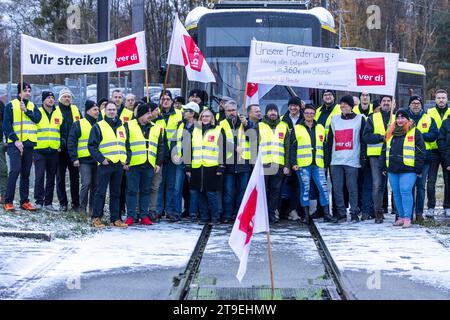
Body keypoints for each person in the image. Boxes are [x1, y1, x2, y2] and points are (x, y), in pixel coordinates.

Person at [381, 109, 426, 228]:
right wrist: (383, 166)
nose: (400, 120)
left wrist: (418, 168)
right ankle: (400, 216)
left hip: (408, 169)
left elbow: (421, 151)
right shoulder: (390, 132)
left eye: (403, 118)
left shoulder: (414, 132)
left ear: (408, 119)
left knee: (405, 191)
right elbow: (384, 150)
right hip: (392, 169)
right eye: (398, 118)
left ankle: (407, 217)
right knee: (396, 193)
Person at [290, 104, 335, 223]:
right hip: (303, 164)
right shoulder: (297, 128)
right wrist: (293, 162)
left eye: (312, 113)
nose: (309, 115)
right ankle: (306, 215)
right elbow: (292, 147)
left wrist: (325, 163)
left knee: (323, 188)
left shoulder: (320, 127)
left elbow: (325, 146)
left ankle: (326, 214)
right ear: (303, 115)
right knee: (305, 189)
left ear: (315, 114)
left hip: (318, 164)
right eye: (307, 113)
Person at [88, 101, 128, 229]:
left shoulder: (121, 126)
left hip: (118, 164)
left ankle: (115, 219)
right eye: (109, 109)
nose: (112, 112)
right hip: (105, 164)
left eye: (114, 109)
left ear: (117, 111)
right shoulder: (98, 126)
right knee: (100, 192)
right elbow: (92, 146)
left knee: (116, 193)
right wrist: (101, 159)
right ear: (104, 111)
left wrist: (126, 159)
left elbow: (126, 145)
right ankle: (96, 218)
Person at [124, 102, 164, 226]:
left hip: (149, 164)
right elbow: (124, 143)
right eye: (147, 113)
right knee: (132, 191)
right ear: (140, 114)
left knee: (146, 191)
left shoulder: (156, 127)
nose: (150, 115)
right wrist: (126, 160)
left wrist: (158, 163)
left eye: (150, 113)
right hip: (133, 164)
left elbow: (161, 147)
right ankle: (131, 216)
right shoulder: (128, 125)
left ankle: (143, 216)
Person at [3, 82, 41, 212]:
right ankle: (8, 201)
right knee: (15, 170)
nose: (28, 93)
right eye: (25, 90)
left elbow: (37, 119)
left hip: (29, 144)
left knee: (26, 173)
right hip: (15, 144)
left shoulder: (32, 106)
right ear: (19, 92)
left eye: (29, 90)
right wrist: (15, 140)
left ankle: (24, 201)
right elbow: (6, 126)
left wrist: (26, 111)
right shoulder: (11, 106)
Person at [327, 95, 366, 222]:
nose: (343, 106)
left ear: (351, 106)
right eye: (341, 104)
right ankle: (341, 213)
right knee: (337, 188)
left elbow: (363, 139)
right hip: (336, 160)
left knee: (352, 188)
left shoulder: (360, 119)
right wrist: (328, 159)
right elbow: (329, 141)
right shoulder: (334, 119)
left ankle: (354, 212)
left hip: (352, 160)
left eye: (346, 104)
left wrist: (362, 158)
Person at [185, 108, 226, 225]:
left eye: (207, 116)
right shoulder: (195, 130)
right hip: (197, 166)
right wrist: (188, 166)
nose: (205, 118)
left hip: (212, 167)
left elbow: (223, 149)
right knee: (200, 193)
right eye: (203, 116)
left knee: (211, 194)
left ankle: (215, 217)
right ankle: (204, 217)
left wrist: (221, 166)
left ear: (212, 118)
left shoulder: (218, 130)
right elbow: (189, 149)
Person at [363, 95, 395, 223]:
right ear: (380, 103)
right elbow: (366, 136)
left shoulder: (397, 117)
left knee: (394, 185)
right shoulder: (372, 118)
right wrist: (382, 137)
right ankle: (378, 212)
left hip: (393, 155)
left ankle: (399, 213)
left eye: (389, 101)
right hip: (376, 156)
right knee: (377, 184)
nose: (386, 103)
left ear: (392, 103)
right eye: (384, 101)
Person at [256, 103, 290, 223]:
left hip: (278, 165)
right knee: (263, 191)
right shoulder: (259, 126)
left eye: (274, 110)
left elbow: (287, 147)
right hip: (263, 165)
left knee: (275, 192)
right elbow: (254, 146)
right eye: (270, 110)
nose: (273, 113)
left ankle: (271, 214)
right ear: (266, 113)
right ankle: (261, 215)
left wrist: (287, 165)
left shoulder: (284, 126)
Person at [407, 95, 438, 222]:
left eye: (418, 103)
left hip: (424, 159)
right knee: (409, 187)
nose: (416, 105)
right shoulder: (404, 118)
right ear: (410, 105)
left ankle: (419, 213)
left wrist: (419, 135)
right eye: (413, 103)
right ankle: (408, 213)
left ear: (421, 105)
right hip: (408, 158)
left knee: (421, 187)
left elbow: (434, 135)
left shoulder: (428, 118)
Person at [220, 100, 251, 223]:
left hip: (243, 163)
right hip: (229, 163)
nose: (231, 112)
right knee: (228, 192)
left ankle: (240, 215)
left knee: (242, 192)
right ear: (225, 111)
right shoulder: (221, 124)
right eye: (229, 110)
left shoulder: (245, 122)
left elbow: (253, 139)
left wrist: (247, 126)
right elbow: (219, 141)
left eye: (233, 110)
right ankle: (227, 215)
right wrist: (233, 147)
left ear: (237, 111)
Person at [33, 91, 64, 211]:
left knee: (51, 177)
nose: (51, 100)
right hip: (40, 149)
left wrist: (61, 143)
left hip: (54, 150)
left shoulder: (58, 113)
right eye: (48, 98)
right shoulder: (38, 112)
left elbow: (63, 130)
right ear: (43, 100)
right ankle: (38, 201)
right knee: (39, 176)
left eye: (52, 98)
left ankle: (48, 203)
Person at [68, 100, 99, 215]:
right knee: (86, 183)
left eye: (97, 110)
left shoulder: (100, 124)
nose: (97, 112)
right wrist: (74, 158)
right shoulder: (78, 124)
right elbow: (72, 141)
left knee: (95, 186)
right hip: (84, 160)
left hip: (97, 160)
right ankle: (82, 208)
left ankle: (92, 208)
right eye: (94, 109)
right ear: (88, 111)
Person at [157, 90, 183, 221]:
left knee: (172, 184)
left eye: (167, 99)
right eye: (163, 99)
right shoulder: (156, 114)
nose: (165, 101)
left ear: (172, 101)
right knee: (159, 184)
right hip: (159, 154)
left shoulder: (179, 114)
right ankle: (157, 210)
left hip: (174, 154)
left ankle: (170, 210)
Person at [56, 87, 82, 212]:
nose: (67, 99)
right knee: (60, 177)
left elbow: (82, 125)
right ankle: (63, 203)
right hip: (61, 150)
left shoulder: (76, 109)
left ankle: (75, 203)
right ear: (60, 98)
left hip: (74, 150)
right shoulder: (55, 110)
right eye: (64, 97)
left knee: (75, 177)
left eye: (68, 97)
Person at [174, 102, 200, 221]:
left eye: (186, 111)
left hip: (194, 161)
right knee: (177, 188)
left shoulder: (199, 126)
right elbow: (175, 141)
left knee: (193, 189)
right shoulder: (180, 125)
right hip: (181, 161)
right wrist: (175, 154)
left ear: (193, 113)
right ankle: (177, 212)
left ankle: (193, 213)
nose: (183, 112)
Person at [426, 89, 450, 218]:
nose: (441, 100)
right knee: (431, 181)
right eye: (439, 98)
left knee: (448, 181)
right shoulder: (429, 112)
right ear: (435, 99)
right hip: (433, 150)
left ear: (447, 99)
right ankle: (431, 206)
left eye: (443, 98)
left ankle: (447, 206)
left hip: (447, 152)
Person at [281, 96, 303, 221]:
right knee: (283, 186)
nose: (293, 107)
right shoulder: (282, 120)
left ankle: (295, 210)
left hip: (300, 158)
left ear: (300, 107)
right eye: (291, 105)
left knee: (298, 186)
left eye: (296, 105)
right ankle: (283, 210)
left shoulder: (304, 119)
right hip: (285, 158)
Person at [437, 116, 450, 217]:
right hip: (448, 158)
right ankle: (448, 206)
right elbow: (441, 141)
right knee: (448, 183)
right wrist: (447, 160)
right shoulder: (446, 123)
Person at [0, 92, 7, 204]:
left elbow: (6, 122)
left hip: (0, 142)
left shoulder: (1, 105)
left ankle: (3, 195)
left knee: (3, 170)